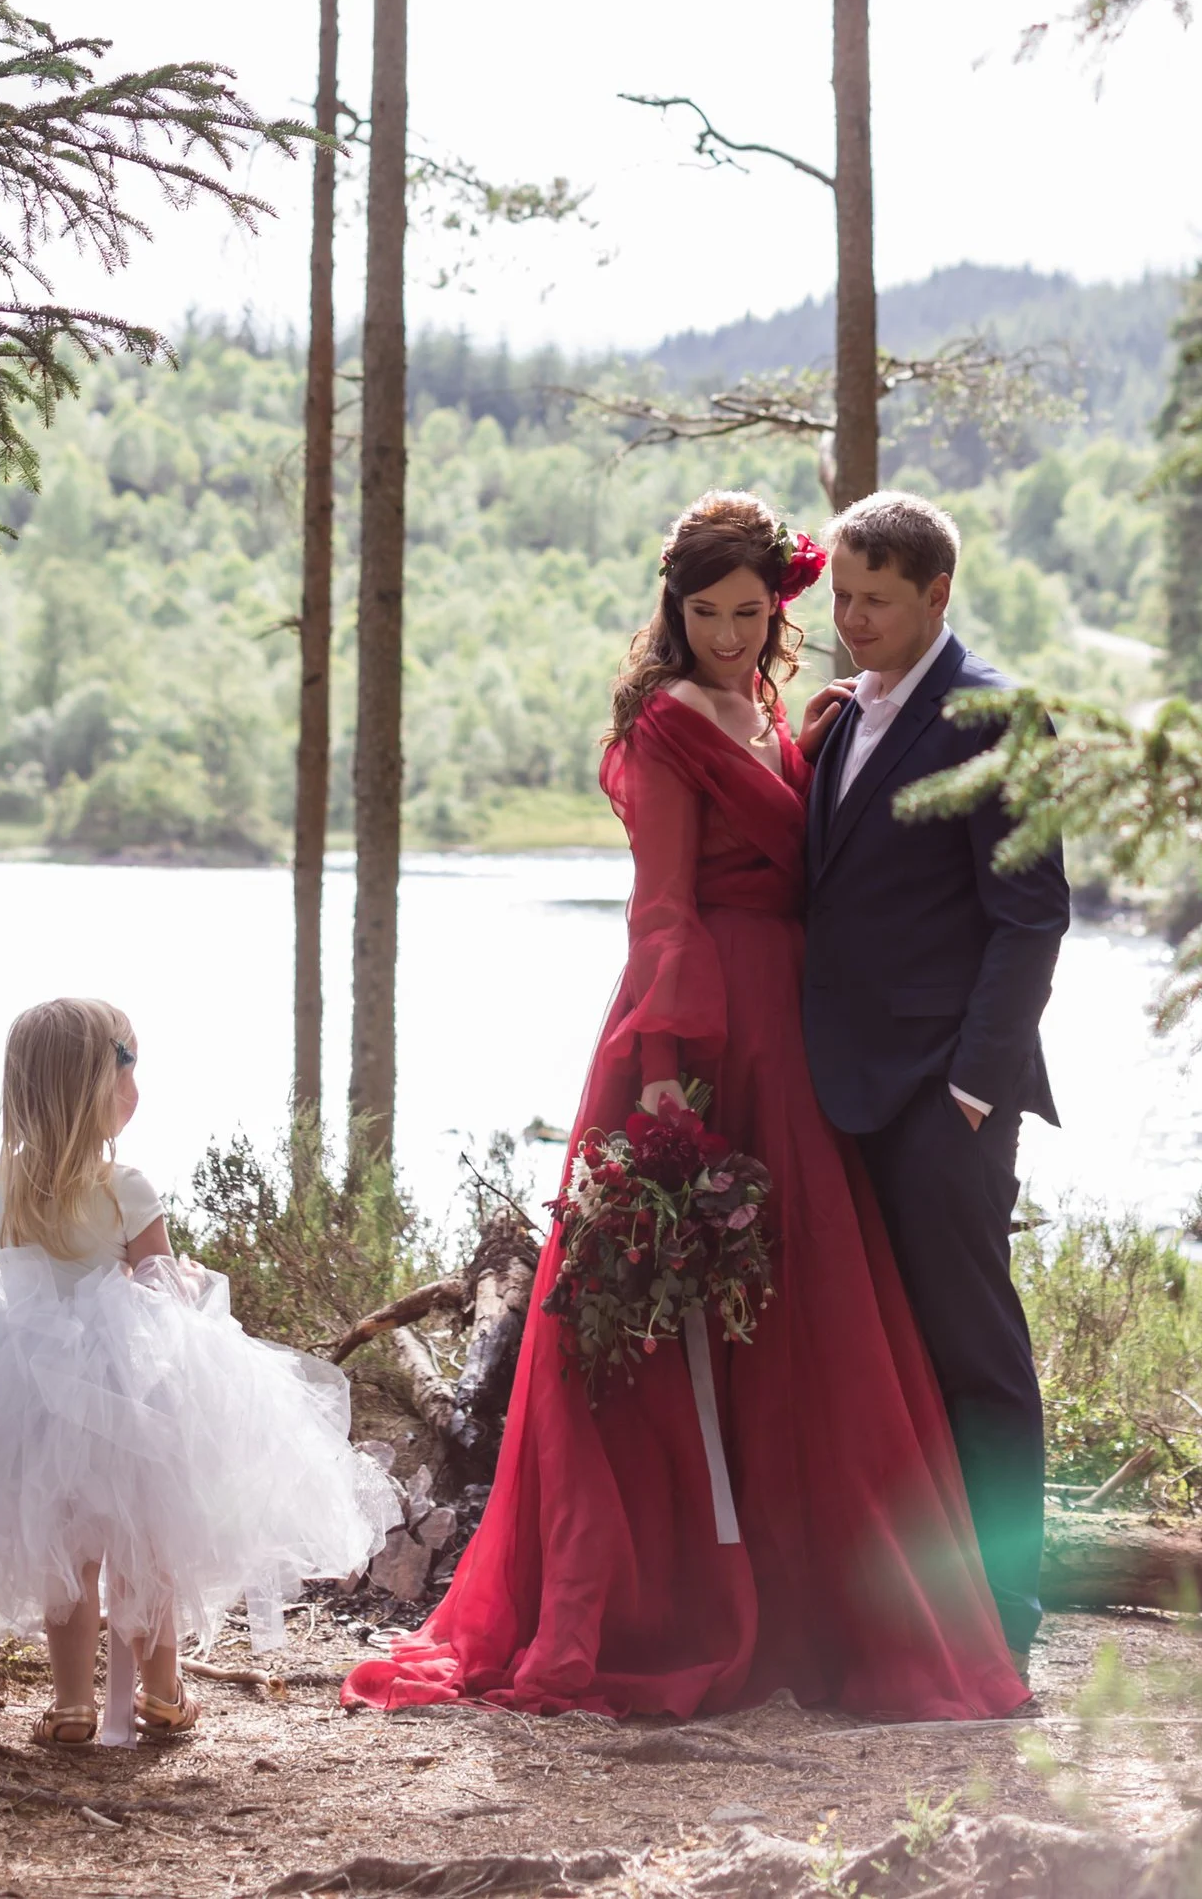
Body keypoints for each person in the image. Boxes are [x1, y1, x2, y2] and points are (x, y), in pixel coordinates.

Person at [345, 489, 1027, 1723]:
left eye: (748, 612)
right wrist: (664, 1077)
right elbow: (660, 906)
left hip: (794, 1045)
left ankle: (813, 1597)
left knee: (807, 1325)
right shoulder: (666, 726)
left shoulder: (785, 715)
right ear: (676, 611)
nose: (726, 631)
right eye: (705, 612)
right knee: (674, 1334)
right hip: (695, 1034)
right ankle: (664, 1598)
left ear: (780, 613)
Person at [0, 995, 395, 1746]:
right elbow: (160, 1285)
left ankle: (70, 1706)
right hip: (129, 1388)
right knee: (145, 1550)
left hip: (28, 1387)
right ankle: (162, 1694)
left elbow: (23, 1286)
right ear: (102, 1088)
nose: (137, 1091)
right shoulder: (125, 1187)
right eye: (128, 1070)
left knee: (64, 1557)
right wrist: (191, 1282)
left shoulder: (10, 1189)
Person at [799, 493, 1069, 1659]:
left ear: (936, 596)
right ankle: (902, 1604)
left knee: (974, 1355)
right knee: (873, 1356)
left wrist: (972, 1089)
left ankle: (1004, 1614)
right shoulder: (840, 716)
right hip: (838, 1088)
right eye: (841, 597)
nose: (850, 619)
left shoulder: (993, 714)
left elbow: (1031, 918)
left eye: (876, 600)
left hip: (942, 1097)